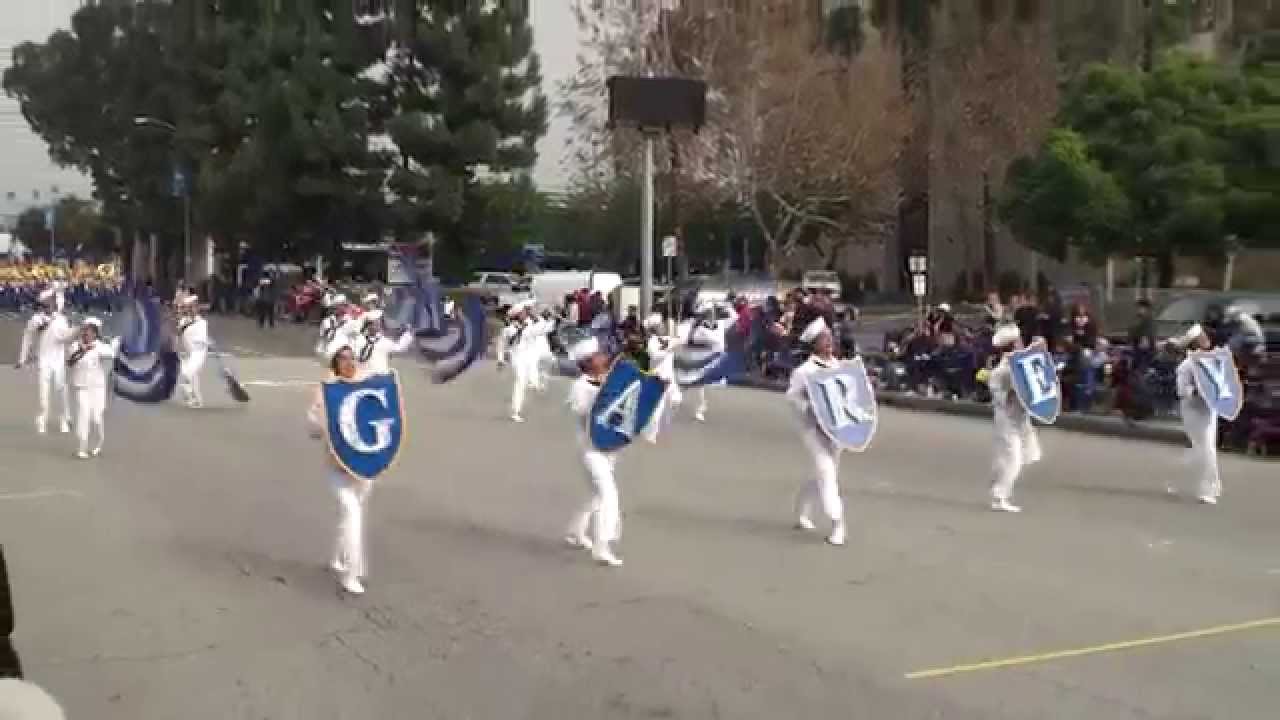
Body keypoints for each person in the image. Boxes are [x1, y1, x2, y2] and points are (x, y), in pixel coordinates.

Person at [307, 343, 372, 595]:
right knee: (352, 512)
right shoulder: (326, 391)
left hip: (365, 464)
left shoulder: (366, 386)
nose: (349, 362)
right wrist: (324, 423)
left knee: (353, 512)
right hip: (338, 466)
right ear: (335, 363)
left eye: (351, 357)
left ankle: (339, 557)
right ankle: (351, 573)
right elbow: (312, 427)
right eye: (343, 359)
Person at [785, 317, 850, 546]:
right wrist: (811, 408)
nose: (829, 341)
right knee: (826, 472)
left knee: (824, 474)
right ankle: (838, 523)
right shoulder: (805, 371)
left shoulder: (840, 366)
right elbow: (792, 397)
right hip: (813, 430)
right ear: (814, 344)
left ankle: (801, 509)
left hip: (837, 430)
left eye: (830, 337)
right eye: (824, 338)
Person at [564, 339, 624, 567]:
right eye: (598, 355)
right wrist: (605, 398)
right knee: (609, 494)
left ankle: (575, 531)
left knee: (596, 495)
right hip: (591, 448)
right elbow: (582, 412)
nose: (604, 357)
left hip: (609, 447)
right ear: (588, 362)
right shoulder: (580, 386)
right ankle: (602, 546)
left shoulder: (609, 380)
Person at [985, 325, 1042, 512]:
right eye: (1018, 342)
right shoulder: (1004, 369)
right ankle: (999, 496)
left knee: (1026, 454)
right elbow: (1000, 393)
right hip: (1007, 418)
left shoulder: (1018, 364)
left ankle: (997, 484)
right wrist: (1011, 395)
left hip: (1020, 417)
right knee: (1013, 458)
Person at [1174, 324, 1222, 505]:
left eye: (1205, 336)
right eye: (1202, 337)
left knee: (1205, 448)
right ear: (1195, 343)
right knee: (1206, 448)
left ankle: (1198, 483)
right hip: (1193, 411)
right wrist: (1200, 392)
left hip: (1210, 410)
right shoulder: (1186, 366)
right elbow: (1182, 391)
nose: (1206, 339)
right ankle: (1208, 489)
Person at [16, 287, 74, 435]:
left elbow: (68, 338)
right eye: (46, 302)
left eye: (52, 301)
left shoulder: (62, 319)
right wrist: (22, 359)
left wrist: (73, 354)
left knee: (61, 390)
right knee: (44, 392)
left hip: (59, 360)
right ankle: (42, 420)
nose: (50, 304)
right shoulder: (36, 319)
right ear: (43, 303)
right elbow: (27, 338)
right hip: (44, 359)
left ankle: (64, 419)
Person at [66, 318, 119, 459]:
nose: (86, 333)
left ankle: (98, 443)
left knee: (96, 418)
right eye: (84, 330)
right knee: (83, 414)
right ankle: (81, 447)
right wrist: (82, 350)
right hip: (81, 387)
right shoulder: (74, 346)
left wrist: (111, 346)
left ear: (96, 334)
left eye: (89, 331)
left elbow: (111, 354)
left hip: (97, 388)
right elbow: (70, 362)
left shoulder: (100, 347)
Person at [504, 302, 553, 423]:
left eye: (526, 312)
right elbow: (508, 342)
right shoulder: (510, 329)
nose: (525, 314)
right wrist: (501, 359)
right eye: (523, 312)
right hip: (517, 357)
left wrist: (543, 317)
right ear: (517, 315)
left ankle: (535, 384)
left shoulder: (529, 326)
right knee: (520, 381)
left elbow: (544, 328)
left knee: (530, 381)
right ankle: (515, 411)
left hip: (530, 356)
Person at [351, 315, 415, 375]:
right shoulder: (359, 339)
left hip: (379, 374)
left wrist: (408, 334)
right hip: (361, 374)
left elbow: (399, 347)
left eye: (376, 324)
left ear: (379, 327)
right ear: (367, 326)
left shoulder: (384, 341)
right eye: (371, 324)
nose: (374, 326)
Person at [176, 295, 210, 409]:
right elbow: (179, 333)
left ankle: (191, 396)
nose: (190, 309)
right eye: (188, 307)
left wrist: (205, 342)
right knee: (193, 376)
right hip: (190, 353)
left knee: (188, 373)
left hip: (199, 352)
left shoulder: (202, 322)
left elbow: (201, 339)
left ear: (196, 308)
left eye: (192, 307)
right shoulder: (183, 321)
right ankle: (197, 400)